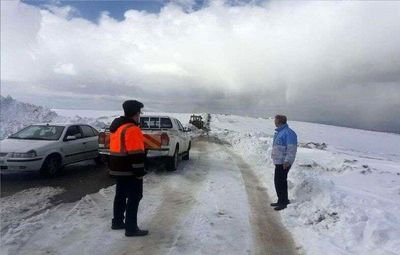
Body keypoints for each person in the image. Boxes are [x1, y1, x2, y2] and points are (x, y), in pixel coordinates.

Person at [109, 100, 149, 236]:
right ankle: (131, 228)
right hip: (129, 170)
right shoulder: (132, 129)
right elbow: (136, 154)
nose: (139, 115)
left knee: (120, 195)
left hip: (118, 168)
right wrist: (139, 172)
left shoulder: (118, 128)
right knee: (135, 197)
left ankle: (118, 221)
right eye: (139, 113)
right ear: (136, 113)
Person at [270, 114, 297, 211]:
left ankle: (283, 202)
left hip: (283, 163)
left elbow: (291, 148)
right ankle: (280, 200)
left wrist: (287, 161)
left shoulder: (288, 133)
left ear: (280, 122)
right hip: (278, 161)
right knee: (278, 181)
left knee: (281, 182)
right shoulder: (279, 132)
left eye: (275, 121)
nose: (274, 122)